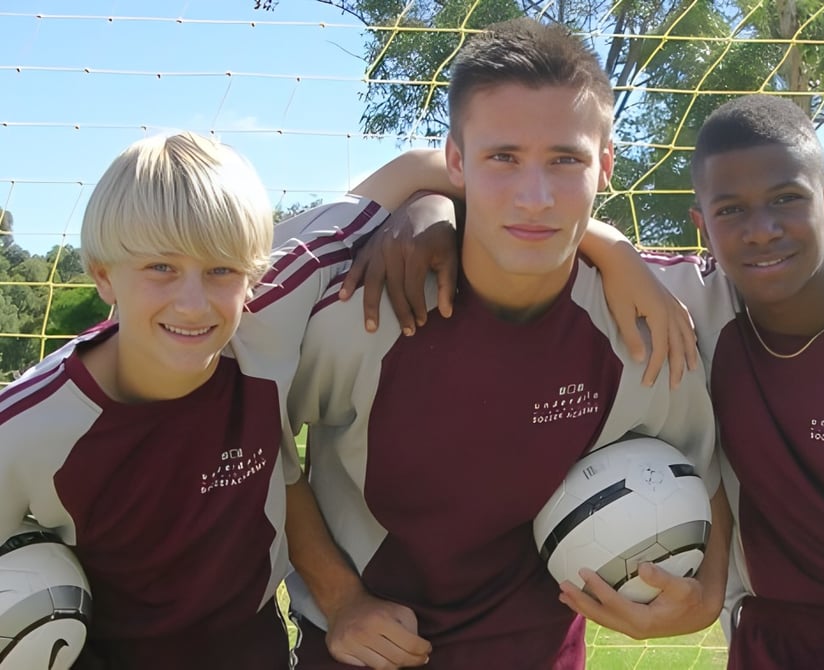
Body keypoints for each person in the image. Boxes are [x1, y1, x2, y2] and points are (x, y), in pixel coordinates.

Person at [365, 94, 824, 667]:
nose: (762, 230)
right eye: (731, 210)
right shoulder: (681, 302)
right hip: (762, 646)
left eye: (786, 199)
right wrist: (434, 207)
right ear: (703, 225)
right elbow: (503, 197)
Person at [270, 17, 732, 670]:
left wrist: (706, 594)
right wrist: (341, 597)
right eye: (502, 158)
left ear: (605, 164)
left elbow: (703, 466)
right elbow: (252, 429)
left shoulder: (642, 325)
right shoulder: (366, 303)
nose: (535, 197)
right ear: (456, 162)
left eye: (566, 160)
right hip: (362, 655)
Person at [0, 132, 463, 669]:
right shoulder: (27, 424)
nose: (194, 304)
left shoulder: (270, 312)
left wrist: (437, 208)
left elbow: (426, 165)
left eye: (221, 270)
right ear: (104, 276)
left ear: (253, 276)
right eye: (160, 268)